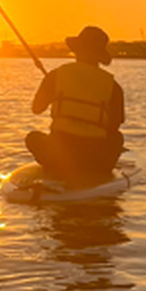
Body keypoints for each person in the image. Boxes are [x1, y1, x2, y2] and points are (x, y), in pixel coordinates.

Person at [25, 25, 125, 177]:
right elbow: (115, 126)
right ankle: (92, 170)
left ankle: (57, 166)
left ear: (77, 50)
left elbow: (37, 108)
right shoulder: (114, 87)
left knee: (32, 138)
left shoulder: (56, 75)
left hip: (58, 157)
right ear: (99, 55)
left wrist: (54, 94)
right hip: (95, 161)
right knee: (117, 138)